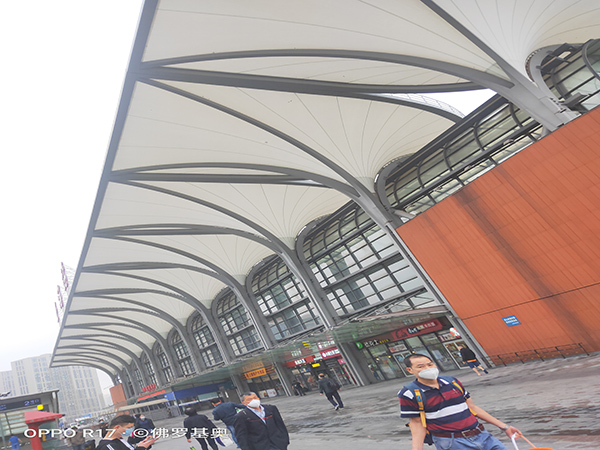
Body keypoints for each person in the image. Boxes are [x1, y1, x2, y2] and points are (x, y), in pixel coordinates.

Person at [398, 353, 521, 450]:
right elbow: (417, 424)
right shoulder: (409, 393)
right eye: (420, 367)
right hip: (452, 442)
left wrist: (504, 427)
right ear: (410, 370)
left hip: (482, 435)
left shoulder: (452, 382)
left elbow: (472, 407)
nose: (427, 368)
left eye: (430, 364)